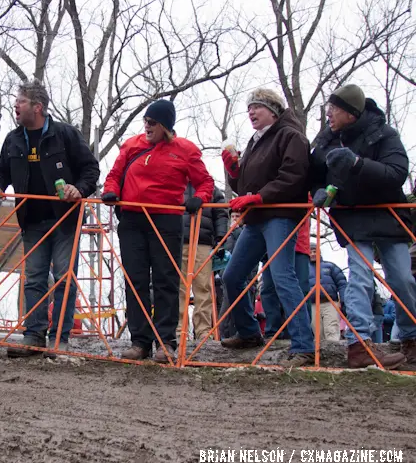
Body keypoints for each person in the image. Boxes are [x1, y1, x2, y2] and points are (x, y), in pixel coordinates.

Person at [0, 79, 99, 357]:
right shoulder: (13, 138)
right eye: (16, 100)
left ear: (37, 107)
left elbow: (90, 169)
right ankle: (33, 336)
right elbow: (2, 171)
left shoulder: (65, 134)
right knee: (34, 278)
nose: (15, 105)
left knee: (63, 277)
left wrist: (79, 189)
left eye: (21, 101)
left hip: (65, 219)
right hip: (31, 220)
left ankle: (59, 339)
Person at [310, 83, 415, 368]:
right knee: (360, 277)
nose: (329, 114)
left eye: (335, 109)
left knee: (402, 280)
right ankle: (359, 344)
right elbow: (315, 173)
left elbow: (397, 173)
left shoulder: (384, 134)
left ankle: (410, 337)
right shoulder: (326, 141)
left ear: (352, 113)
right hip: (352, 216)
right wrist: (319, 191)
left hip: (388, 215)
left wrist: (357, 163)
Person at [102, 100, 214, 362]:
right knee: (135, 279)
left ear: (165, 125)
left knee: (166, 279)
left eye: (153, 122)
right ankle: (139, 342)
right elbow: (114, 174)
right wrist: (112, 191)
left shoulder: (185, 149)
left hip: (166, 220)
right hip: (131, 219)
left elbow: (205, 181)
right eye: (146, 121)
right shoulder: (132, 145)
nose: (147, 126)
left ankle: (166, 342)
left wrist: (200, 197)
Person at [219, 88, 315, 367]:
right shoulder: (256, 141)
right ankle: (249, 332)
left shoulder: (290, 136)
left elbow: (294, 177)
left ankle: (303, 345)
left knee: (283, 276)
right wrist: (234, 171)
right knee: (233, 275)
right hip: (257, 218)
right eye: (249, 108)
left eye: (256, 107)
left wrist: (260, 197)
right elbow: (245, 185)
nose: (251, 112)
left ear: (273, 110)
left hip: (280, 215)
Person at [178, 183, 227, 343]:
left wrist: (221, 238)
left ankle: (204, 332)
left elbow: (221, 212)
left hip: (203, 241)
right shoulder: (174, 182)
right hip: (177, 240)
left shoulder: (210, 186)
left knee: (203, 288)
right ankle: (179, 331)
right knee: (178, 288)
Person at [259, 221, 311, 339]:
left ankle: (302, 333)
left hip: (299, 245)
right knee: (268, 289)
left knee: (301, 289)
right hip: (270, 246)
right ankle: (272, 331)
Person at [307, 242, 345, 342]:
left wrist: (343, 299)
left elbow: (342, 283)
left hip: (330, 302)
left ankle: (334, 352)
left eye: (315, 251)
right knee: (317, 331)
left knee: (331, 328)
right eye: (310, 252)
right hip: (313, 304)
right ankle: (320, 354)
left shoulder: (330, 266)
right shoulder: (304, 269)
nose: (313, 254)